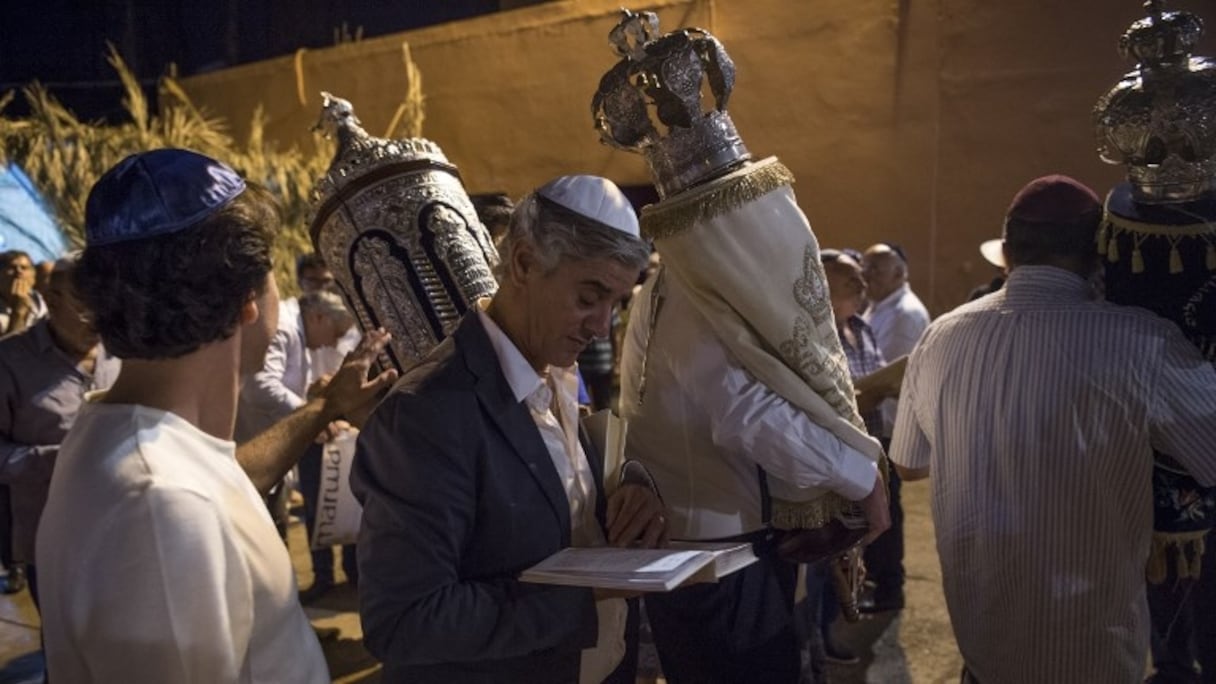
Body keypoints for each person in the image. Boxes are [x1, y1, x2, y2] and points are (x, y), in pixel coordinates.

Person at [35, 148, 396, 683]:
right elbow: (185, 508)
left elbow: (224, 486)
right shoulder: (160, 506)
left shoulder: (120, 435)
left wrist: (324, 406)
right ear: (248, 298)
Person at [889, 175, 1216, 684]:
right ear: (1097, 253)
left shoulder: (940, 337)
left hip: (983, 650)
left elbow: (909, 463)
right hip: (1094, 655)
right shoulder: (1139, 340)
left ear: (1009, 250)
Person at [352, 175, 667, 683]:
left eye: (615, 303)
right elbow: (406, 620)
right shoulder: (426, 414)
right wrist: (583, 596)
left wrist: (628, 483)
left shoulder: (556, 366)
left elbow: (555, 484)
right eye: (589, 297)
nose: (601, 326)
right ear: (524, 262)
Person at [0, 255, 120, 619]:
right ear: (52, 301)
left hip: (122, 530)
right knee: (66, 651)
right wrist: (53, 460)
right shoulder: (10, 361)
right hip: (53, 540)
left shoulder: (123, 351)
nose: (99, 318)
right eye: (86, 305)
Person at [858, 242, 930, 613]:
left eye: (876, 270)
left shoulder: (903, 314)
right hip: (877, 425)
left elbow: (886, 378)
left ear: (900, 274)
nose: (865, 276)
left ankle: (889, 590)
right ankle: (881, 582)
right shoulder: (879, 306)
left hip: (887, 427)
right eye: (865, 268)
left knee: (887, 513)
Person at [0, 250, 47, 335]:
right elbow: (10, 347)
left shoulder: (44, 305)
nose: (19, 271)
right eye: (12, 268)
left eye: (24, 268)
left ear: (33, 277)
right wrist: (18, 312)